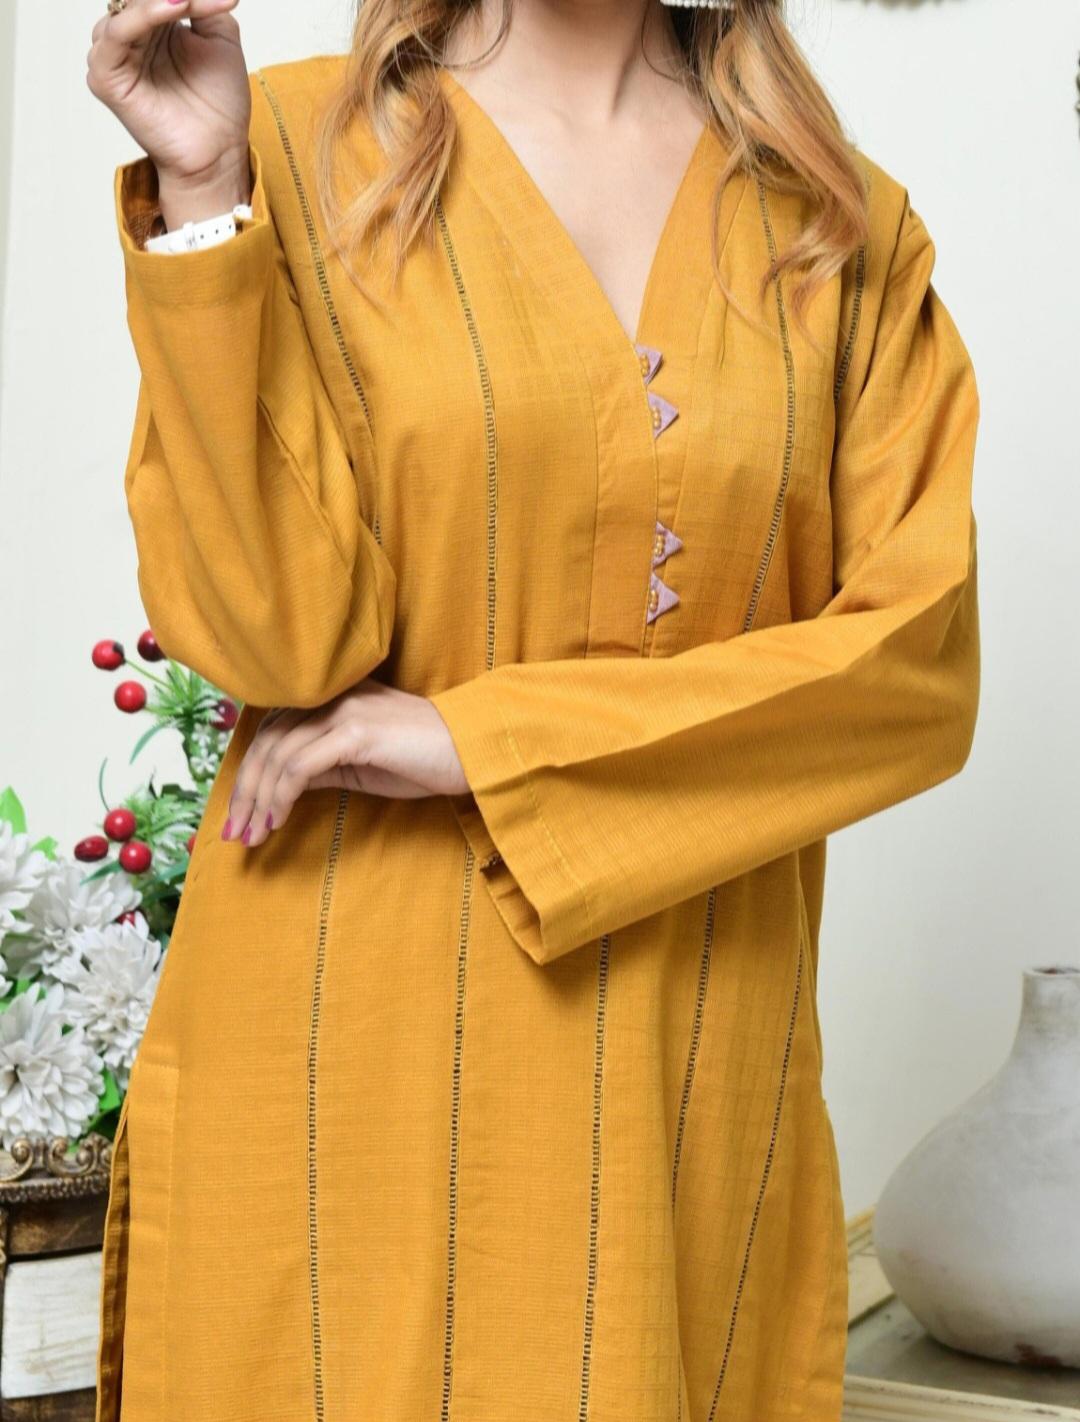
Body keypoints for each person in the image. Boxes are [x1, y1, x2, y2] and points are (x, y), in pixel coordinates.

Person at [85, 0, 981, 1418]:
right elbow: (276, 638)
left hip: (684, 1084)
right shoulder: (286, 149)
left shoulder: (840, 224)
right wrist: (201, 193)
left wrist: (483, 740)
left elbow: (913, 666)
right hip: (338, 1052)